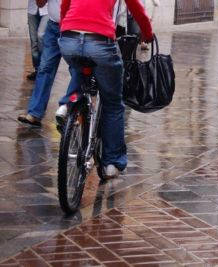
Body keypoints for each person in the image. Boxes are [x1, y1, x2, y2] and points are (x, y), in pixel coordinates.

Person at [58, 0, 153, 178]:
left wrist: (66, 30)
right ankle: (112, 162)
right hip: (99, 41)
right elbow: (136, 9)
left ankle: (67, 104)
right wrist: (147, 32)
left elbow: (65, 5)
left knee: (79, 67)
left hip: (68, 38)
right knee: (113, 102)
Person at [18, 0, 79, 127]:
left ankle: (70, 110)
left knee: (77, 70)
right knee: (44, 68)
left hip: (74, 27)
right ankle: (35, 113)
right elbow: (40, 3)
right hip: (53, 27)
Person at [27, 0, 49, 81]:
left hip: (47, 10)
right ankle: (37, 69)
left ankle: (44, 68)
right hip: (32, 10)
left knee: (41, 36)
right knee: (34, 42)